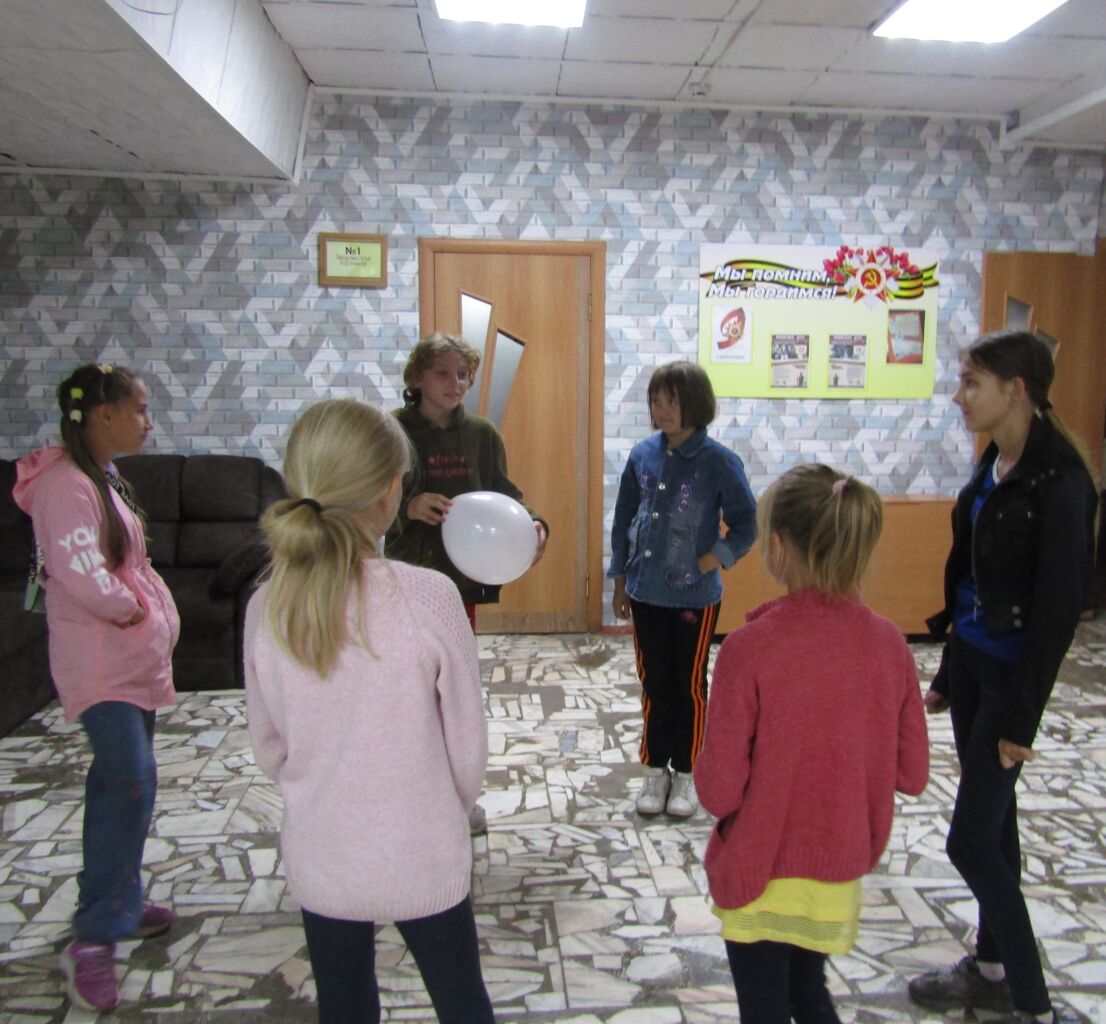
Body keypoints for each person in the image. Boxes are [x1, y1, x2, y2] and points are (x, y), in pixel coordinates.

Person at [244, 398, 495, 1024]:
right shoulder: (430, 598)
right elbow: (468, 753)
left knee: (344, 1005)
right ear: (390, 492)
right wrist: (440, 811)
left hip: (322, 853)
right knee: (462, 1002)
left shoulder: (266, 606)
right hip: (423, 851)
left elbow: (270, 747)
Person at [908, 330, 1098, 1024]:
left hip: (1011, 683)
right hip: (976, 668)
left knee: (969, 842)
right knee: (998, 829)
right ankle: (990, 966)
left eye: (971, 383)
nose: (959, 396)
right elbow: (971, 583)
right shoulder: (994, 462)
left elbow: (1054, 616)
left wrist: (1021, 723)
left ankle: (1034, 1000)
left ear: (1016, 390)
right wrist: (950, 671)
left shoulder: (1062, 483)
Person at [694, 464, 930, 1023]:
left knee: (766, 1010)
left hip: (759, 875)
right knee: (809, 996)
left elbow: (719, 791)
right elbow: (913, 773)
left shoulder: (748, 649)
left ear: (777, 546)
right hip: (836, 878)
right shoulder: (890, 644)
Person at [14, 364, 180, 1014]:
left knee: (122, 783)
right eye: (139, 409)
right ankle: (94, 938)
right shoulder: (64, 486)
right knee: (129, 780)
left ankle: (115, 898)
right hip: (102, 662)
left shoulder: (100, 477)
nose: (148, 422)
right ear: (102, 415)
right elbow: (82, 572)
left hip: (128, 659)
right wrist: (131, 610)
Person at [387, 332, 548, 834]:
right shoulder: (392, 431)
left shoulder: (482, 434)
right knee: (412, 689)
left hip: (462, 584)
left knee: (455, 688)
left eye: (463, 374)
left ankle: (460, 794)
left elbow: (506, 495)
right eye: (442, 373)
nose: (455, 383)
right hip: (409, 579)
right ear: (416, 377)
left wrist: (535, 523)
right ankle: (413, 791)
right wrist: (409, 507)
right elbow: (370, 499)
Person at [608, 360, 757, 818]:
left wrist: (713, 558)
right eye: (656, 400)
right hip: (645, 592)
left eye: (672, 400)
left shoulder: (719, 461)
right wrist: (620, 580)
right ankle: (656, 768)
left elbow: (747, 524)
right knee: (654, 682)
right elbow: (624, 519)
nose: (663, 409)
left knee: (688, 685)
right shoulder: (642, 455)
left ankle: (688, 772)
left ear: (695, 403)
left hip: (694, 597)